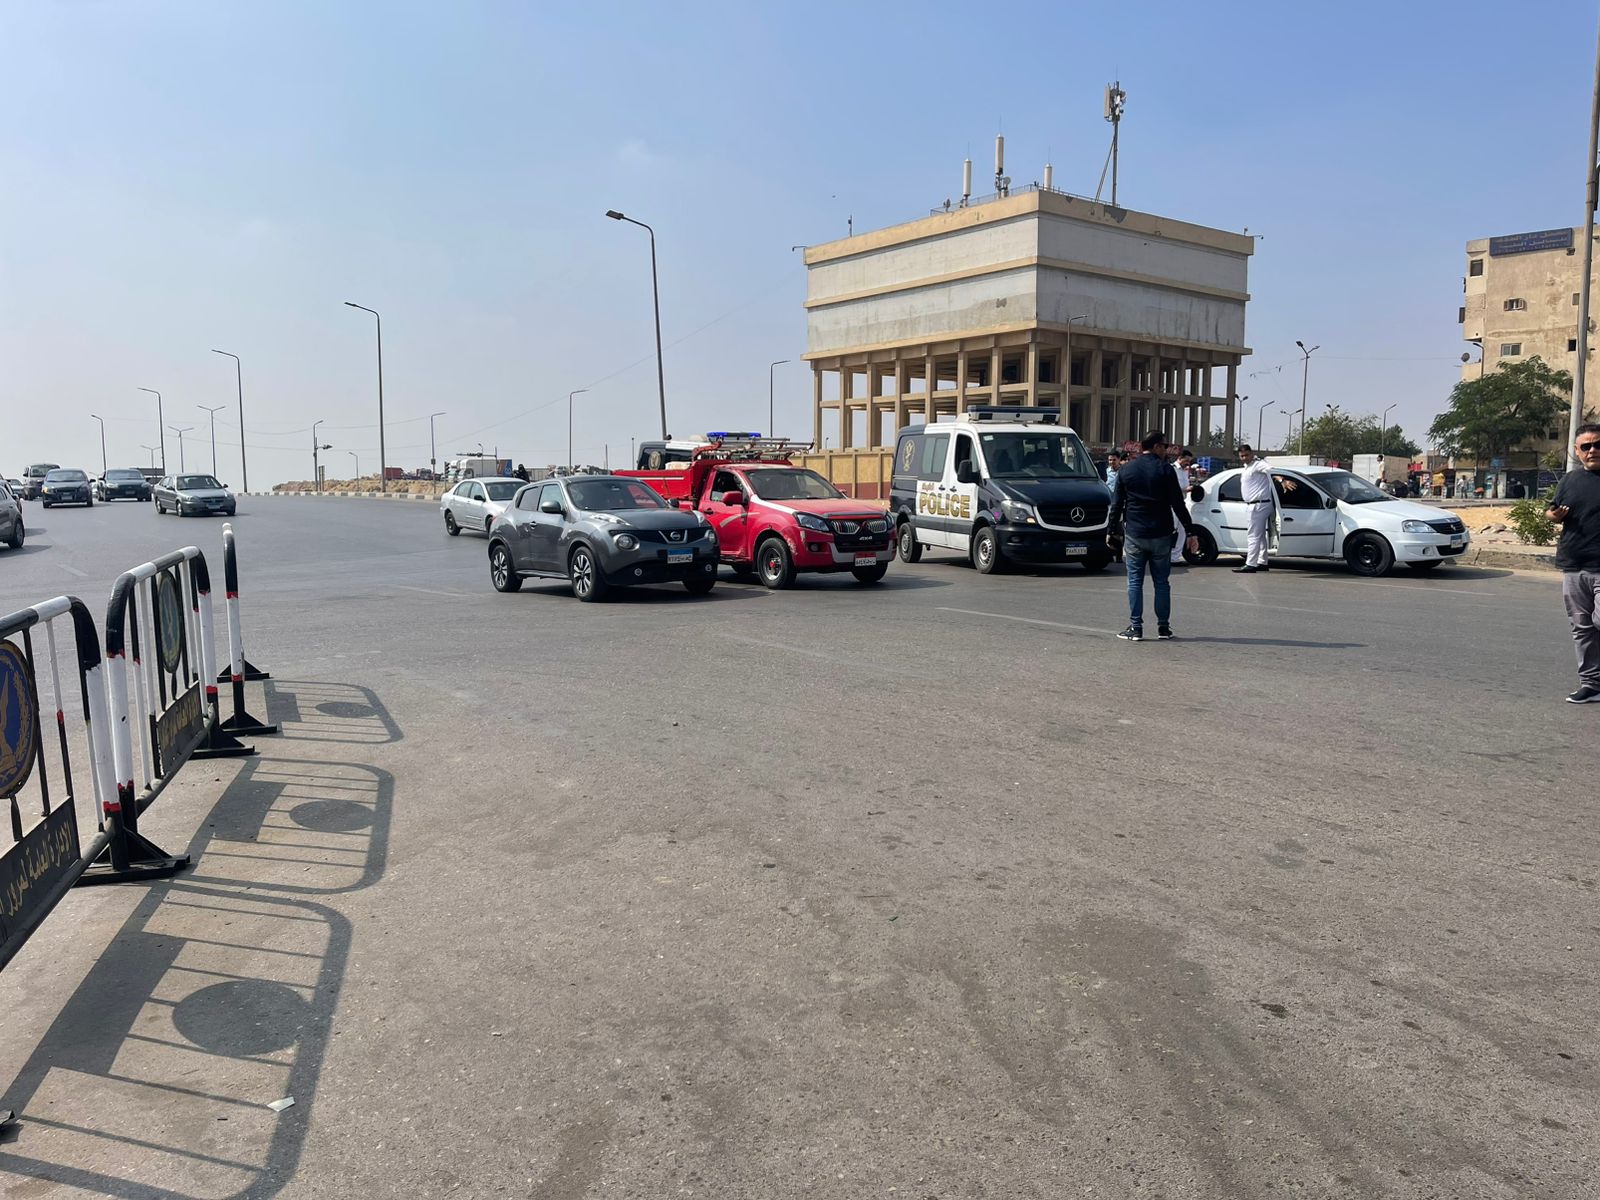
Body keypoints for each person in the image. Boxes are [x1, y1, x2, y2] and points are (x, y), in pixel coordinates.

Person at [1108, 430, 1199, 642]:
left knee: (1134, 582)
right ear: (1156, 446)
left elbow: (1117, 504)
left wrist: (1111, 531)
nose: (1166, 450)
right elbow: (1178, 504)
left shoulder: (1127, 469)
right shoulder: (1166, 470)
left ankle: (1136, 627)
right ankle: (1163, 628)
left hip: (1135, 533)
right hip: (1161, 534)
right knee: (1161, 583)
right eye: (1164, 446)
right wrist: (1190, 531)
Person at [1547, 423, 1600, 703]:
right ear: (1577, 451)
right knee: (1582, 627)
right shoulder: (1570, 480)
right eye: (1586, 446)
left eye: (1598, 444)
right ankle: (1591, 684)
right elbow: (1551, 510)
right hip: (1574, 564)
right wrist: (1553, 516)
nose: (1593, 450)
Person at [1234, 444, 1288, 573]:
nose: (1244, 458)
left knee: (1253, 536)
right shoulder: (1247, 467)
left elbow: (1272, 471)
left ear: (1251, 454)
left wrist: (1282, 481)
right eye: (1242, 456)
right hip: (1258, 504)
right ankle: (1262, 561)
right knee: (1260, 535)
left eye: (1246, 455)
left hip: (1258, 505)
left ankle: (1250, 564)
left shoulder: (1258, 464)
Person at [1170, 448, 1195, 564]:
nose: (1188, 463)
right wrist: (1184, 489)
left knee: (1182, 530)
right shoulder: (1172, 469)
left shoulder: (1184, 471)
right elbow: (1171, 488)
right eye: (1186, 460)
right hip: (1173, 505)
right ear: (1180, 458)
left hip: (1182, 503)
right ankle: (1168, 555)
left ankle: (1175, 556)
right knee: (1172, 530)